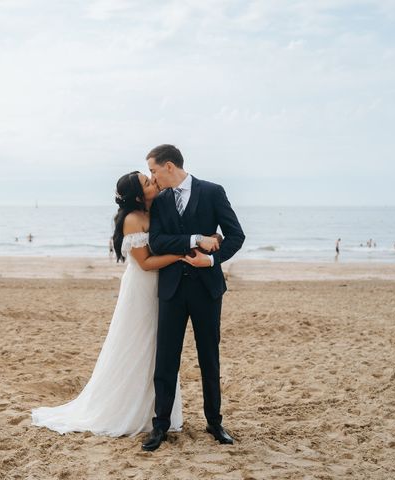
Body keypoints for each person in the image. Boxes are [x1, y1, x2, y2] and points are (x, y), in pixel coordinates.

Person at [31, 171, 186, 437]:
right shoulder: (133, 220)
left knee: (157, 348)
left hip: (159, 288)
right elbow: (146, 264)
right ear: (138, 196)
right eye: (147, 183)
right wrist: (180, 254)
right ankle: (129, 411)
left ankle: (156, 411)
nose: (153, 182)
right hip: (141, 290)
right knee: (139, 345)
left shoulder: (154, 211)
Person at [143, 144, 245, 451]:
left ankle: (215, 422)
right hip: (172, 289)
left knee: (208, 358)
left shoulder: (213, 192)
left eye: (153, 170)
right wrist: (192, 239)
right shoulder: (160, 202)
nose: (152, 176)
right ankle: (160, 425)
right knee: (166, 359)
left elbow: (236, 235)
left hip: (207, 290)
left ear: (169, 166)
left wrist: (211, 260)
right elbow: (157, 242)